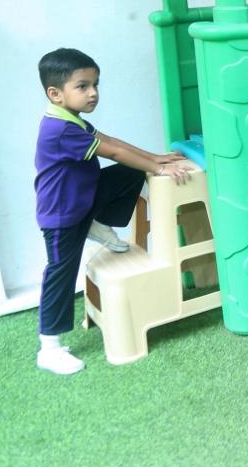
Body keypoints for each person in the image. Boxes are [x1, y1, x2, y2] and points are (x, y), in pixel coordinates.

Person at [33, 48, 192, 375]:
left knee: (132, 173)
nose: (93, 93)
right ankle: (49, 348)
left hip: (83, 201)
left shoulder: (72, 119)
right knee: (60, 275)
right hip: (63, 216)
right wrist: (158, 169)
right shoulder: (61, 129)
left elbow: (111, 141)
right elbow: (115, 151)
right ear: (55, 94)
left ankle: (98, 221)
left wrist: (154, 159)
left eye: (95, 84)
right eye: (83, 86)